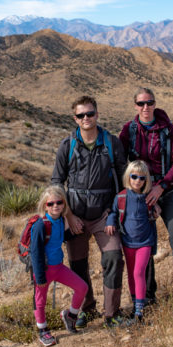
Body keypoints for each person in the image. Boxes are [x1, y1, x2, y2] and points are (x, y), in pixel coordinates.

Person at [51, 96, 130, 329]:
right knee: (78, 265)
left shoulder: (111, 143)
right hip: (75, 216)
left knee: (114, 258)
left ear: (97, 114)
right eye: (81, 115)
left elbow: (124, 180)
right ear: (75, 118)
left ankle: (111, 314)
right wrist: (68, 216)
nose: (86, 118)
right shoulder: (67, 146)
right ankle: (87, 309)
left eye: (90, 114)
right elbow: (56, 183)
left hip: (105, 214)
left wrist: (114, 213)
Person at [118, 87, 173, 303]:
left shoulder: (167, 129)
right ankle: (147, 294)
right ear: (135, 106)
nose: (146, 107)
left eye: (149, 102)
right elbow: (121, 161)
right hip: (140, 194)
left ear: (155, 103)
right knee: (144, 241)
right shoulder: (129, 131)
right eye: (141, 103)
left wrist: (161, 186)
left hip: (168, 191)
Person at [30, 185, 88, 347]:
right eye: (50, 204)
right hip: (44, 270)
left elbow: (59, 238)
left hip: (59, 268)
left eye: (59, 202)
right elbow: (35, 252)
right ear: (44, 206)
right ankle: (43, 330)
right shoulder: (41, 225)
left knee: (82, 287)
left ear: (64, 204)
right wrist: (40, 275)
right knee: (40, 301)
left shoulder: (61, 220)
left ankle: (70, 316)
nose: (55, 206)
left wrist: (75, 231)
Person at [106, 160, 159, 321]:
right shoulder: (121, 196)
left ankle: (139, 310)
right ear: (128, 177)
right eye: (134, 176)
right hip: (127, 242)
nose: (137, 180)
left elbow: (156, 211)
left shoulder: (148, 196)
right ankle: (136, 303)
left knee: (138, 273)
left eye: (141, 178)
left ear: (146, 180)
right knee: (130, 274)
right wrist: (110, 222)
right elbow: (114, 212)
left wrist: (156, 209)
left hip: (145, 242)